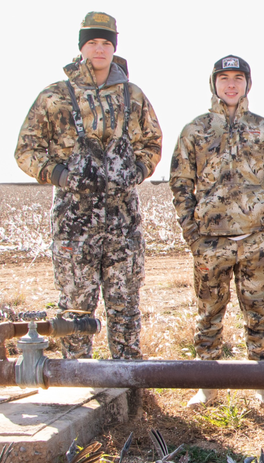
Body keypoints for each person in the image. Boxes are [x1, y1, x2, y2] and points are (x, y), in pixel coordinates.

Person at [15, 11, 162, 360]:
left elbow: (152, 142)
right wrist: (62, 176)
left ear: (114, 48)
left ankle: (127, 384)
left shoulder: (132, 96)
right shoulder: (55, 96)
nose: (100, 49)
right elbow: (26, 150)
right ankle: (77, 379)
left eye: (106, 43)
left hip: (122, 218)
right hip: (74, 220)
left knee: (124, 302)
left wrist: (136, 170)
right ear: (82, 47)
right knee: (76, 306)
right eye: (93, 42)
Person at [170, 55, 264, 408]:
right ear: (214, 84)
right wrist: (193, 234)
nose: (231, 84)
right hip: (211, 243)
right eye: (224, 78)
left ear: (247, 84)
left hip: (256, 241)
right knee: (208, 314)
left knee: (259, 313)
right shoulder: (196, 130)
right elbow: (180, 183)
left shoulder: (263, 129)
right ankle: (208, 385)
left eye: (238, 78)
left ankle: (263, 384)